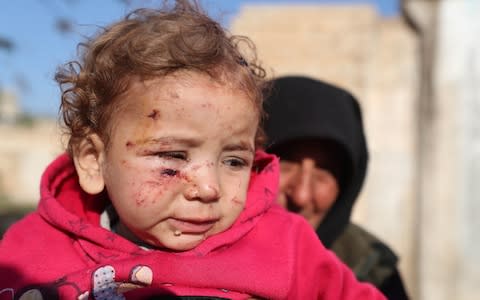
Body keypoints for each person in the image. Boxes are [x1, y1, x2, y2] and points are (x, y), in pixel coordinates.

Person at [0, 2, 386, 299]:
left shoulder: (285, 245)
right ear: (92, 161)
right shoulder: (27, 252)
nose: (209, 188)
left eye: (234, 160)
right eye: (173, 157)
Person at [263, 75, 410, 300]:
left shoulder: (372, 268)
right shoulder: (202, 252)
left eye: (324, 172)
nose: (301, 196)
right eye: (285, 164)